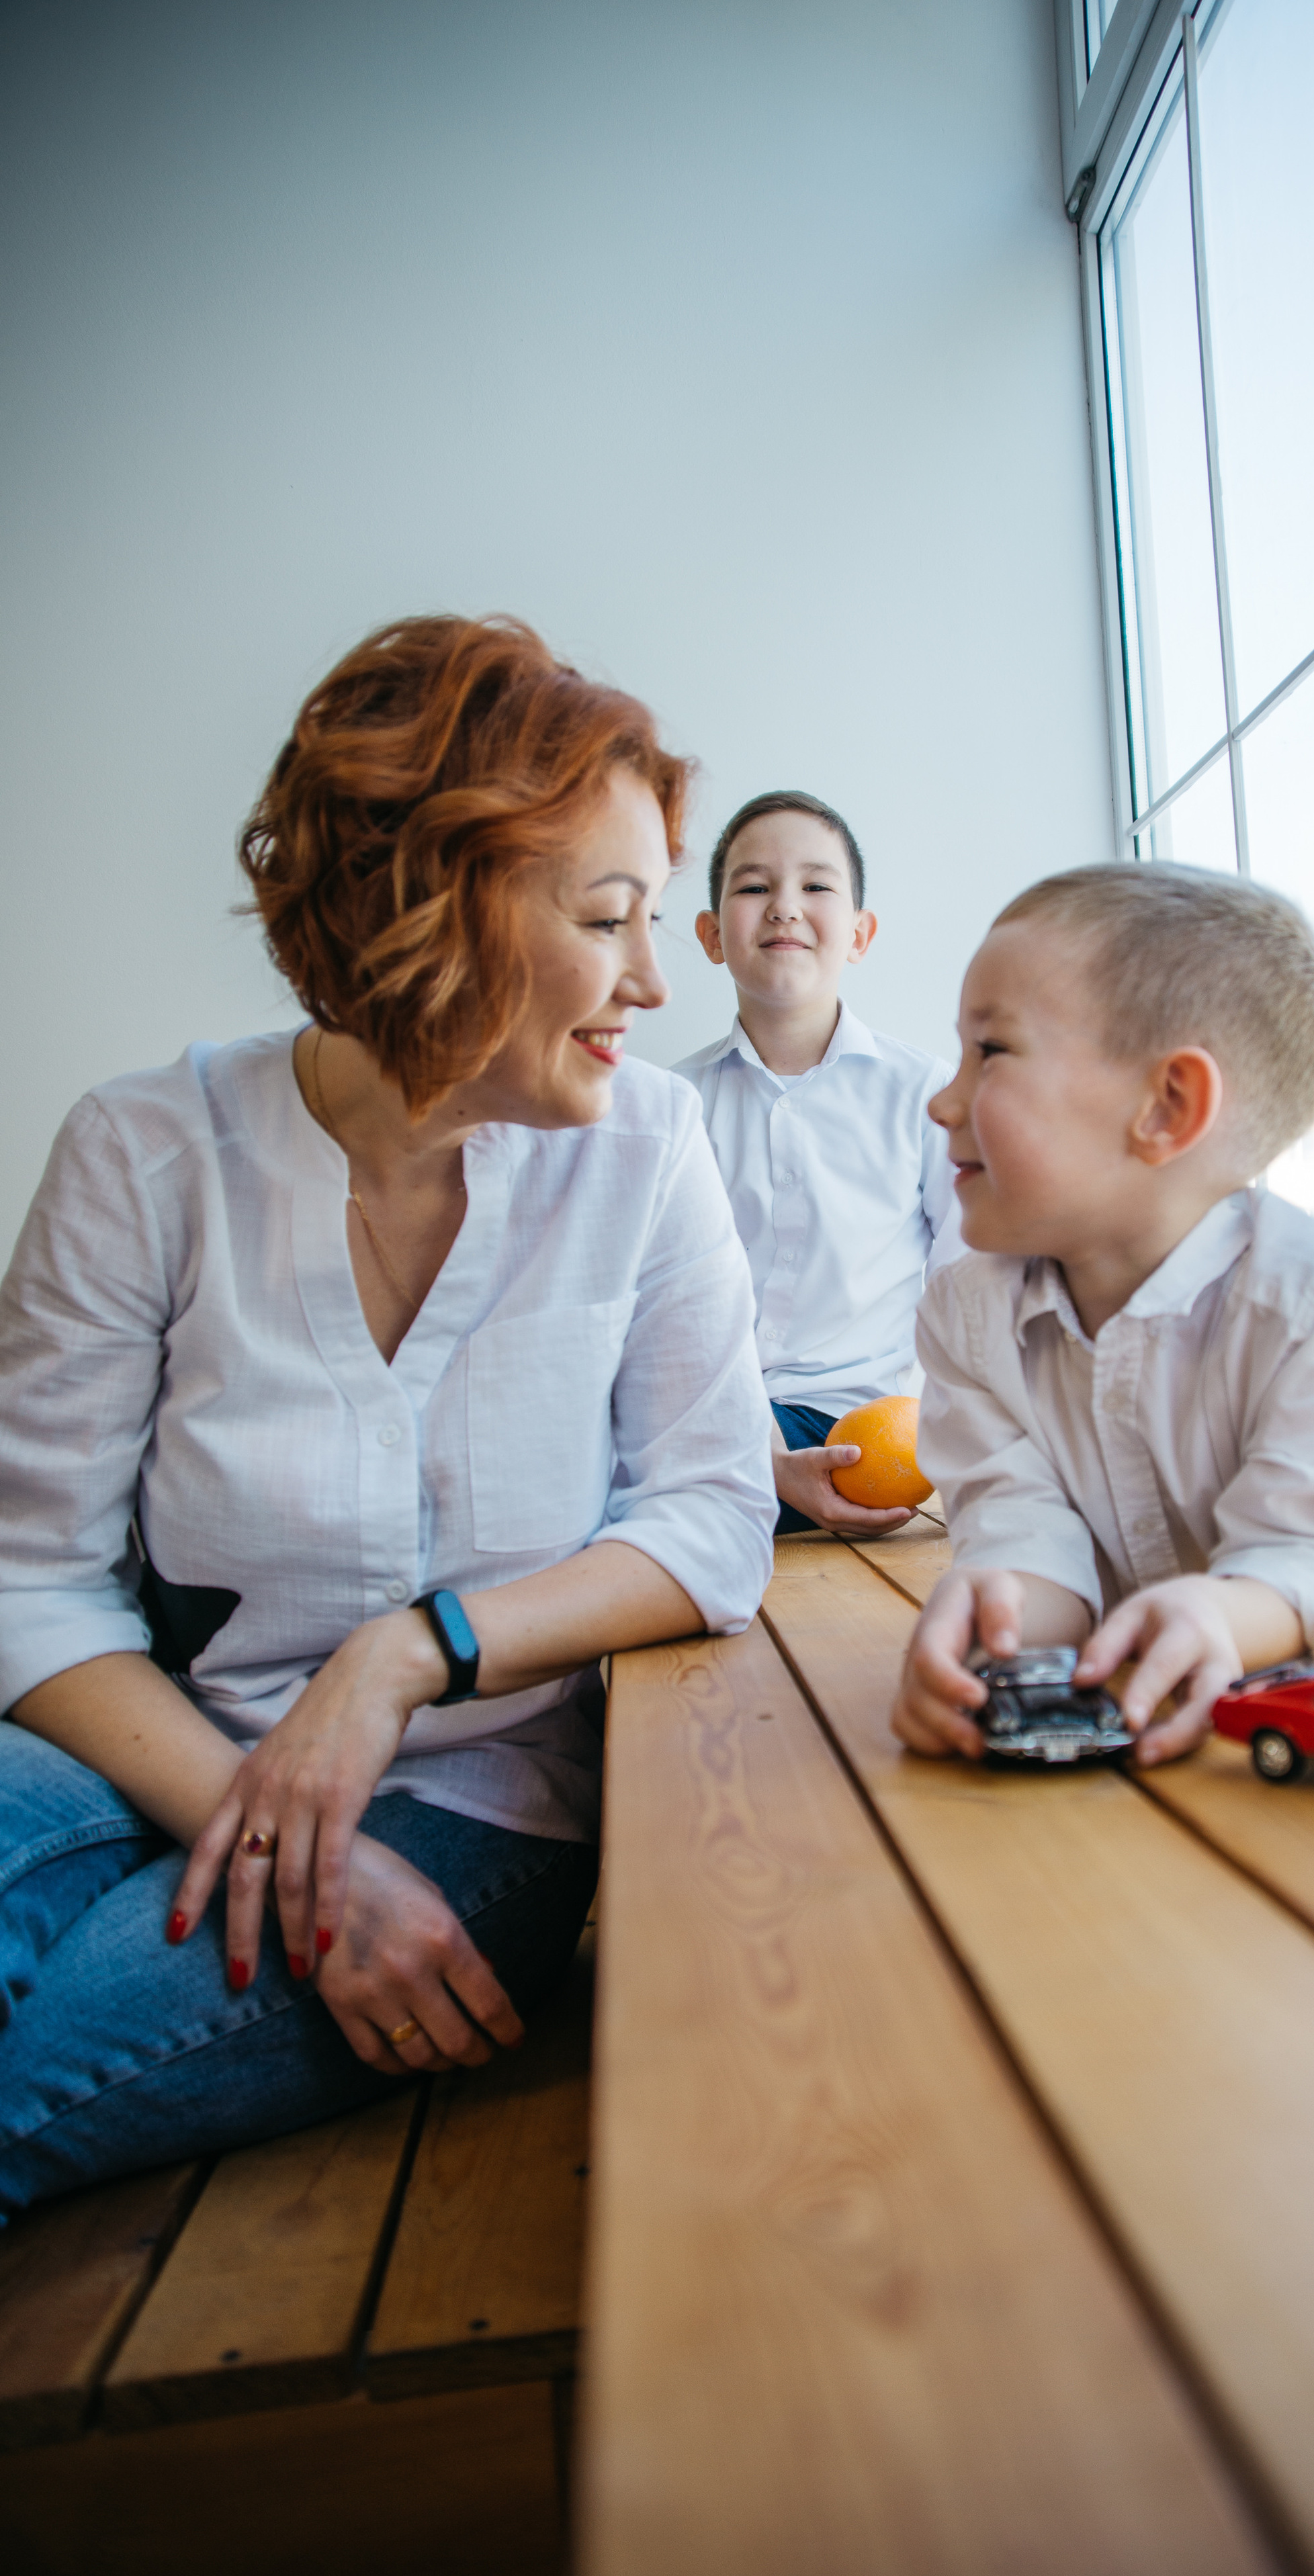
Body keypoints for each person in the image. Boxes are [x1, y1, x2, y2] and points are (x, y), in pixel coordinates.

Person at [0, 614, 775, 2217]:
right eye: (608, 917)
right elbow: (32, 1581)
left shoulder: (647, 1144)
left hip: (470, 1798)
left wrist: (405, 1654)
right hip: (153, 1756)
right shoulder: (143, 1152)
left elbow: (711, 1514)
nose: (653, 976)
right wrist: (282, 1841)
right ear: (432, 905)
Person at [890, 862, 1314, 1767]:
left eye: (989, 1051)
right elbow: (1021, 1529)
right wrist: (991, 1623)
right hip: (1136, 1617)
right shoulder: (964, 1311)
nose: (940, 1099)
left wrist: (1221, 1611)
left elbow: (1305, 1554)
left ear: (1167, 1106)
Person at [674, 790, 961, 1536]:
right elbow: (654, 1306)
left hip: (851, 1431)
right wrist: (757, 1448)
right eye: (753, 886)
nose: (784, 907)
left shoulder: (925, 1093)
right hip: (696, 1414)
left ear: (859, 934)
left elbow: (972, 1284)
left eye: (815, 885)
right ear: (711, 935)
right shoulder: (670, 1106)